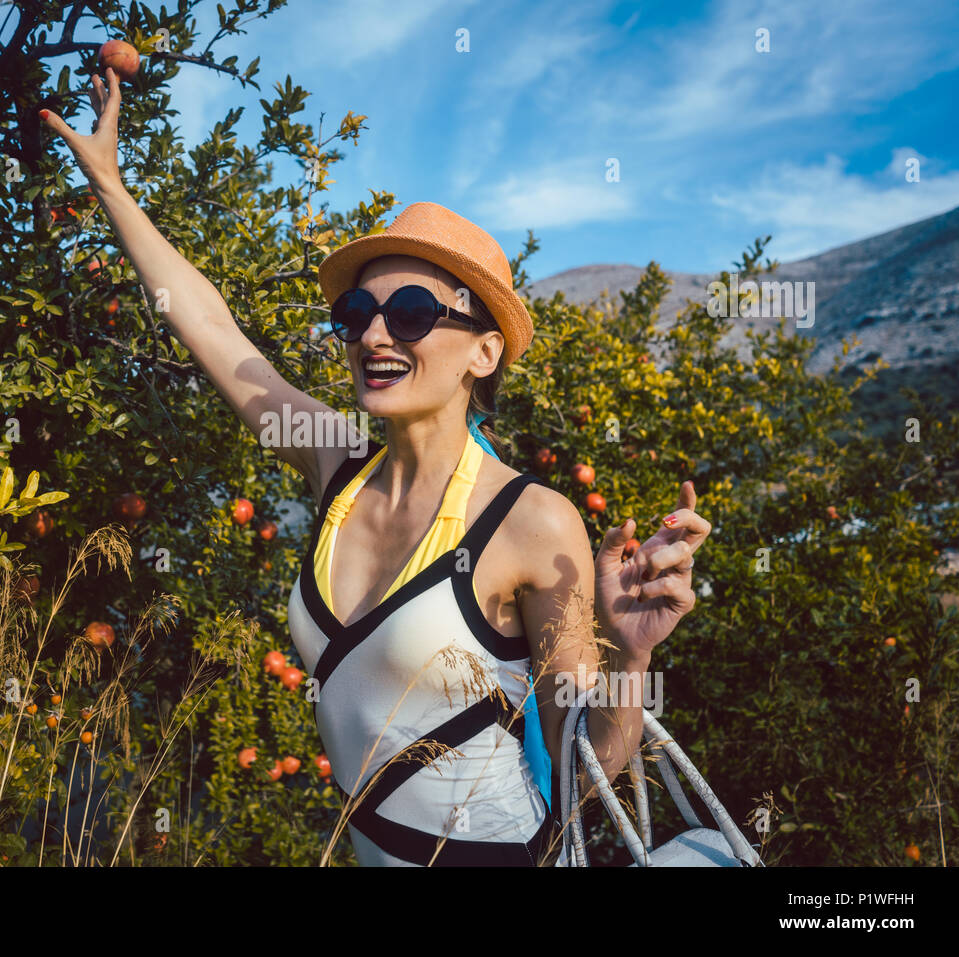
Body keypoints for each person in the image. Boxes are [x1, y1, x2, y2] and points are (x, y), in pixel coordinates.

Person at [43, 69, 708, 866]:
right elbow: (216, 330)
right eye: (359, 313)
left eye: (415, 313)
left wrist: (631, 656)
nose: (375, 334)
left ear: (484, 350)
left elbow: (586, 769)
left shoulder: (533, 520)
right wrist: (112, 187)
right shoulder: (335, 463)